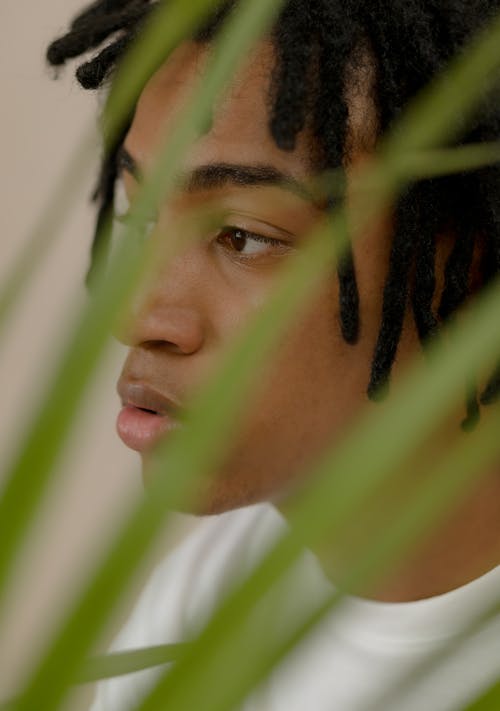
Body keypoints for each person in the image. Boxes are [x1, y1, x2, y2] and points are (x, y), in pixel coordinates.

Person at [47, 1, 500, 709]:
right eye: (140, 218)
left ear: (464, 263)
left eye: (241, 236)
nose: (137, 316)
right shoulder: (201, 597)